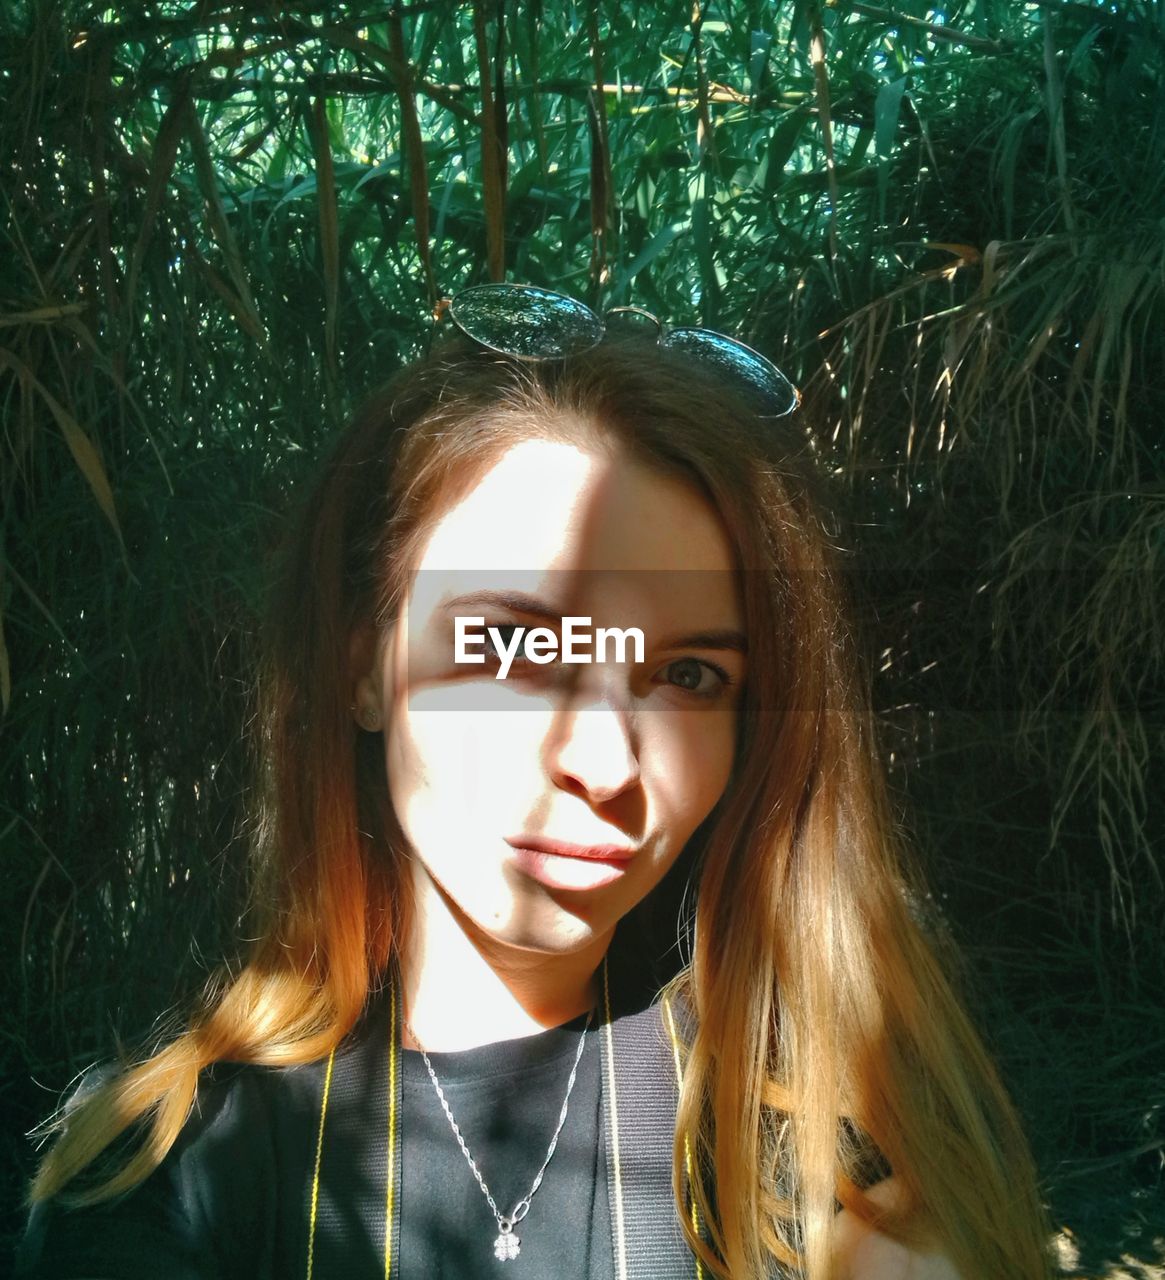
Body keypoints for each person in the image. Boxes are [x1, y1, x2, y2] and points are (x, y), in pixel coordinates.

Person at [17, 289, 1054, 1280]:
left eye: (689, 675)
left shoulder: (814, 1134)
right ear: (361, 662)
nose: (606, 766)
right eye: (516, 645)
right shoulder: (169, 1177)